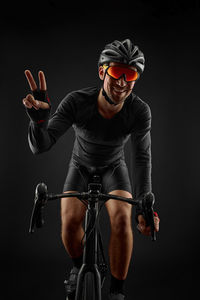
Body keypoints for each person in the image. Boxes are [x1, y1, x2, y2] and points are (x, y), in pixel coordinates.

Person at [23, 39, 160, 300]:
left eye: (130, 74)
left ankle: (117, 293)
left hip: (114, 168)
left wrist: (144, 208)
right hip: (80, 166)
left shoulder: (140, 111)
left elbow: (142, 157)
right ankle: (77, 268)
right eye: (116, 72)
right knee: (69, 225)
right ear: (102, 72)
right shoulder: (76, 101)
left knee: (121, 220)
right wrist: (39, 122)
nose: (122, 82)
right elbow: (41, 146)